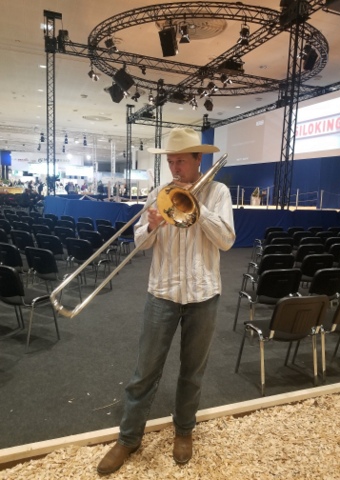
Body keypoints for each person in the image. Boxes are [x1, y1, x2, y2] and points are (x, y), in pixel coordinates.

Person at [97, 127, 235, 475]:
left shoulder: (218, 192)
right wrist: (152, 226)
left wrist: (199, 209)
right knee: (145, 371)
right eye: (170, 161)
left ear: (197, 160)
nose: (174, 168)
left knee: (192, 371)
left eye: (180, 162)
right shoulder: (159, 192)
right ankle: (128, 438)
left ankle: (184, 431)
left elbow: (228, 241)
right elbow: (140, 245)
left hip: (203, 294)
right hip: (162, 293)